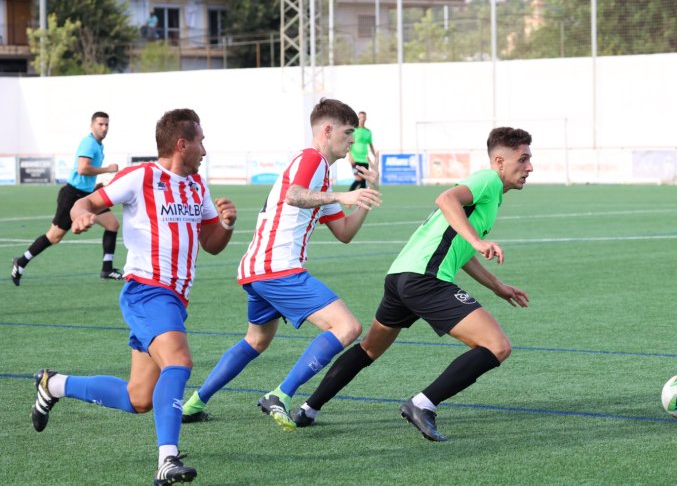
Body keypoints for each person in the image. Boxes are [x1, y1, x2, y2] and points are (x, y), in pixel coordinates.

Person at [30, 109, 238, 485]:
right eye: (201, 141)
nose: (205, 149)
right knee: (179, 361)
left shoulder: (196, 187)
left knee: (138, 398)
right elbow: (87, 202)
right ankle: (167, 459)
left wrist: (225, 225)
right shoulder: (142, 177)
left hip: (175, 300)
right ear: (181, 144)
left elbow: (211, 244)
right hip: (147, 292)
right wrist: (80, 214)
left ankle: (53, 384)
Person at [291, 126, 533, 442]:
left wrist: (497, 285)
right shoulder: (487, 180)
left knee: (368, 349)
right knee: (496, 346)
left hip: (401, 276)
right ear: (500, 161)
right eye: (523, 159)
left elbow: (460, 248)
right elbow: (446, 198)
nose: (529, 167)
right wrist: (476, 240)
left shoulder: (491, 196)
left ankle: (309, 408)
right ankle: (423, 404)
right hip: (424, 279)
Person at [180, 98, 382, 431]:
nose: (351, 143)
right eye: (347, 133)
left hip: (259, 268)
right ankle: (281, 394)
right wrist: (341, 196)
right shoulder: (312, 158)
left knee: (256, 341)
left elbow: (344, 232)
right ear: (327, 130)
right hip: (278, 267)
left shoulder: (324, 179)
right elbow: (294, 195)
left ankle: (193, 404)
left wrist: (367, 191)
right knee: (347, 327)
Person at [11, 111, 122, 287]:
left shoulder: (99, 145)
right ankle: (21, 261)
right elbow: (82, 169)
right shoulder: (88, 143)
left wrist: (95, 187)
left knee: (112, 224)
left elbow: (86, 174)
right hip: (72, 196)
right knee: (54, 237)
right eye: (100, 124)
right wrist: (107, 169)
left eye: (106, 124)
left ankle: (107, 269)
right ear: (92, 125)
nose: (104, 128)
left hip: (86, 195)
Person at [347, 111, 377, 191]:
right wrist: (350, 156)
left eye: (363, 117)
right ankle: (348, 196)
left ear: (366, 119)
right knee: (359, 179)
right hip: (355, 158)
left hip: (365, 159)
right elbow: (349, 143)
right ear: (358, 118)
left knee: (364, 181)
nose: (362, 119)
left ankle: (360, 201)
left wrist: (375, 156)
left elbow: (371, 145)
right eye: (360, 118)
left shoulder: (368, 132)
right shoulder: (354, 130)